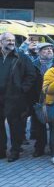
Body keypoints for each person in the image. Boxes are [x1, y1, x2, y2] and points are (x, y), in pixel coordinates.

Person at [0, 32, 37, 162]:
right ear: (1, 42)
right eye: (8, 40)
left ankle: (15, 151)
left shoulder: (21, 57)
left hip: (14, 97)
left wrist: (22, 89)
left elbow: (31, 74)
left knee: (15, 125)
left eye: (12, 40)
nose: (11, 42)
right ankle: (1, 150)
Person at [30, 43, 54, 157]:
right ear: (39, 52)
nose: (49, 50)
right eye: (45, 49)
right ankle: (39, 148)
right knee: (39, 126)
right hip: (38, 99)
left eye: (50, 49)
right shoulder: (32, 64)